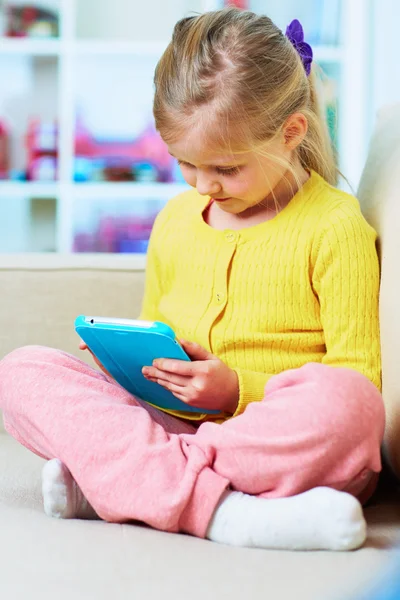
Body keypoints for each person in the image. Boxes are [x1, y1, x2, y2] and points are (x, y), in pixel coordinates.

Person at [0, 8, 385, 551]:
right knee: (21, 372)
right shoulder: (177, 220)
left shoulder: (335, 226)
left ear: (291, 132)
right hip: (171, 421)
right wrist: (126, 362)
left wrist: (236, 389)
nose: (204, 185)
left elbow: (358, 378)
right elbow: (155, 323)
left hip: (262, 438)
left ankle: (130, 483)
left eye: (226, 169)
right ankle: (225, 509)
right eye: (185, 163)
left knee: (350, 406)